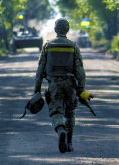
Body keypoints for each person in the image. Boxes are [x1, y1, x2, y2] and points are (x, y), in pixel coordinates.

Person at [34, 18, 86, 153]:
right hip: (70, 84)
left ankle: (61, 129)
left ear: (56, 29)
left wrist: (37, 89)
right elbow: (79, 70)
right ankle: (69, 142)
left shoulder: (48, 46)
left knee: (56, 112)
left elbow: (40, 69)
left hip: (54, 85)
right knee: (70, 113)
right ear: (67, 29)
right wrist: (81, 89)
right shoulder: (73, 46)